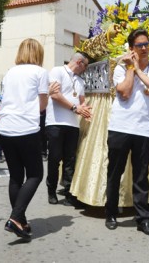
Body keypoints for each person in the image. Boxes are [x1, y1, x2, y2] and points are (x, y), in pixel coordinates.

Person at [104, 28, 149, 237]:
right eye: (139, 45)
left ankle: (143, 219)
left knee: (141, 176)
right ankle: (111, 213)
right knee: (115, 172)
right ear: (131, 49)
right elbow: (124, 91)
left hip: (144, 130)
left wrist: (139, 71)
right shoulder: (121, 69)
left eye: (146, 44)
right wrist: (131, 68)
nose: (144, 48)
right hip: (120, 127)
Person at [0, 38, 50, 241]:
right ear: (38, 54)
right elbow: (42, 104)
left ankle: (21, 220)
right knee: (36, 174)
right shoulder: (39, 72)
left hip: (6, 128)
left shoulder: (10, 72)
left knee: (16, 176)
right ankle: (16, 217)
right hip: (26, 128)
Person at [45, 52, 92, 206]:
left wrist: (85, 109)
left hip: (73, 124)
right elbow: (55, 95)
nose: (85, 69)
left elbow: (82, 101)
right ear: (79, 62)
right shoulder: (57, 71)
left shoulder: (79, 80)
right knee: (54, 158)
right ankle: (51, 190)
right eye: (85, 65)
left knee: (70, 160)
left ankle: (68, 193)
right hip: (56, 122)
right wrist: (74, 108)